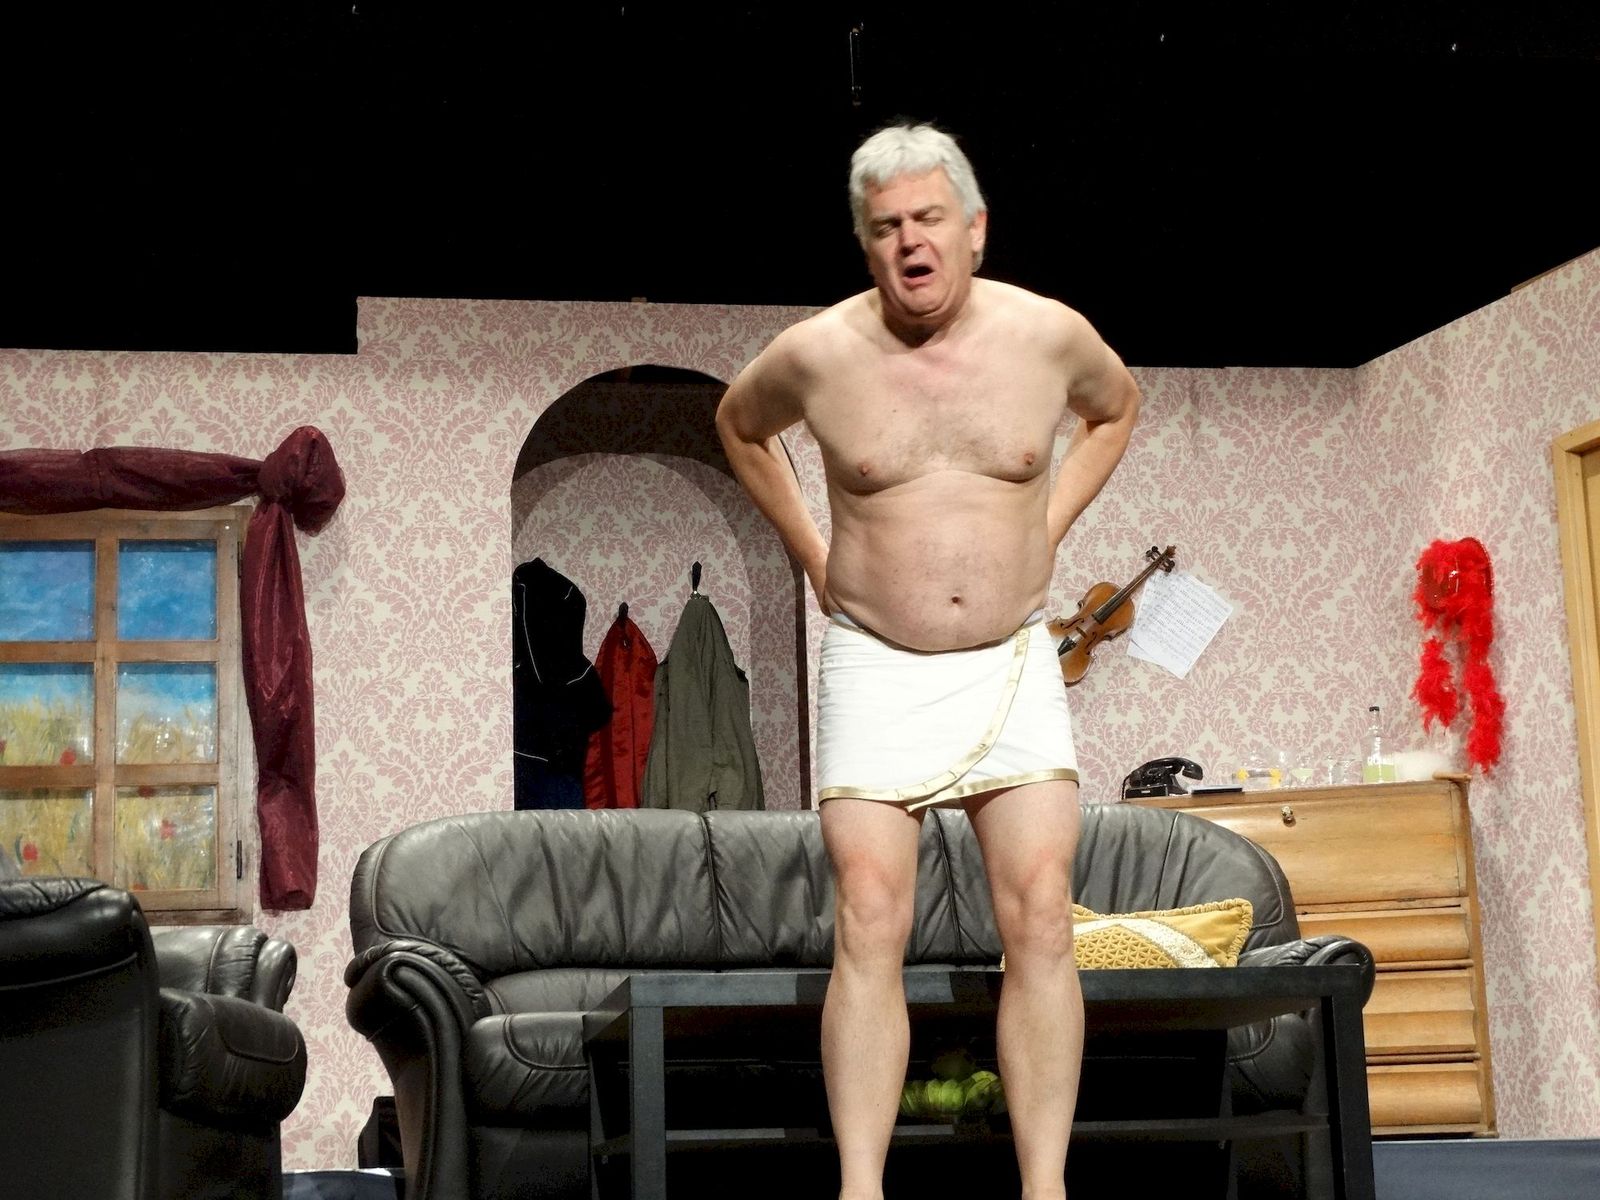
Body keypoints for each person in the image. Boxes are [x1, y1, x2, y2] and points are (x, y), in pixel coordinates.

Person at [715, 122, 1140, 1200]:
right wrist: (813, 555)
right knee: (869, 914)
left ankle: (1044, 1188)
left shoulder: (1048, 335)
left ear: (974, 229)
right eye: (887, 226)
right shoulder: (817, 353)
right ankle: (862, 1189)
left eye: (929, 219)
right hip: (875, 658)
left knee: (1040, 908)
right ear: (866, 244)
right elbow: (739, 425)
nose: (911, 241)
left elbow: (1116, 408)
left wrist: (1047, 526)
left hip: (1009, 657)